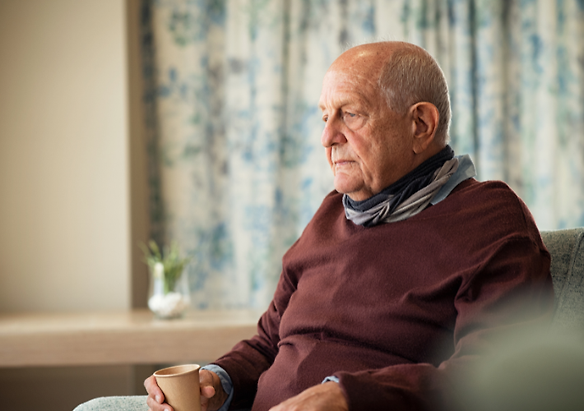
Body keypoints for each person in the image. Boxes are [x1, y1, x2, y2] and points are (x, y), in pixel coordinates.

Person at [77, 41, 553, 411]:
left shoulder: (489, 218)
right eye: (325, 117)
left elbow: (499, 376)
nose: (327, 137)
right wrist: (217, 381)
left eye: (350, 114)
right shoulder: (331, 213)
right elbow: (269, 341)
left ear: (421, 125)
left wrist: (348, 396)